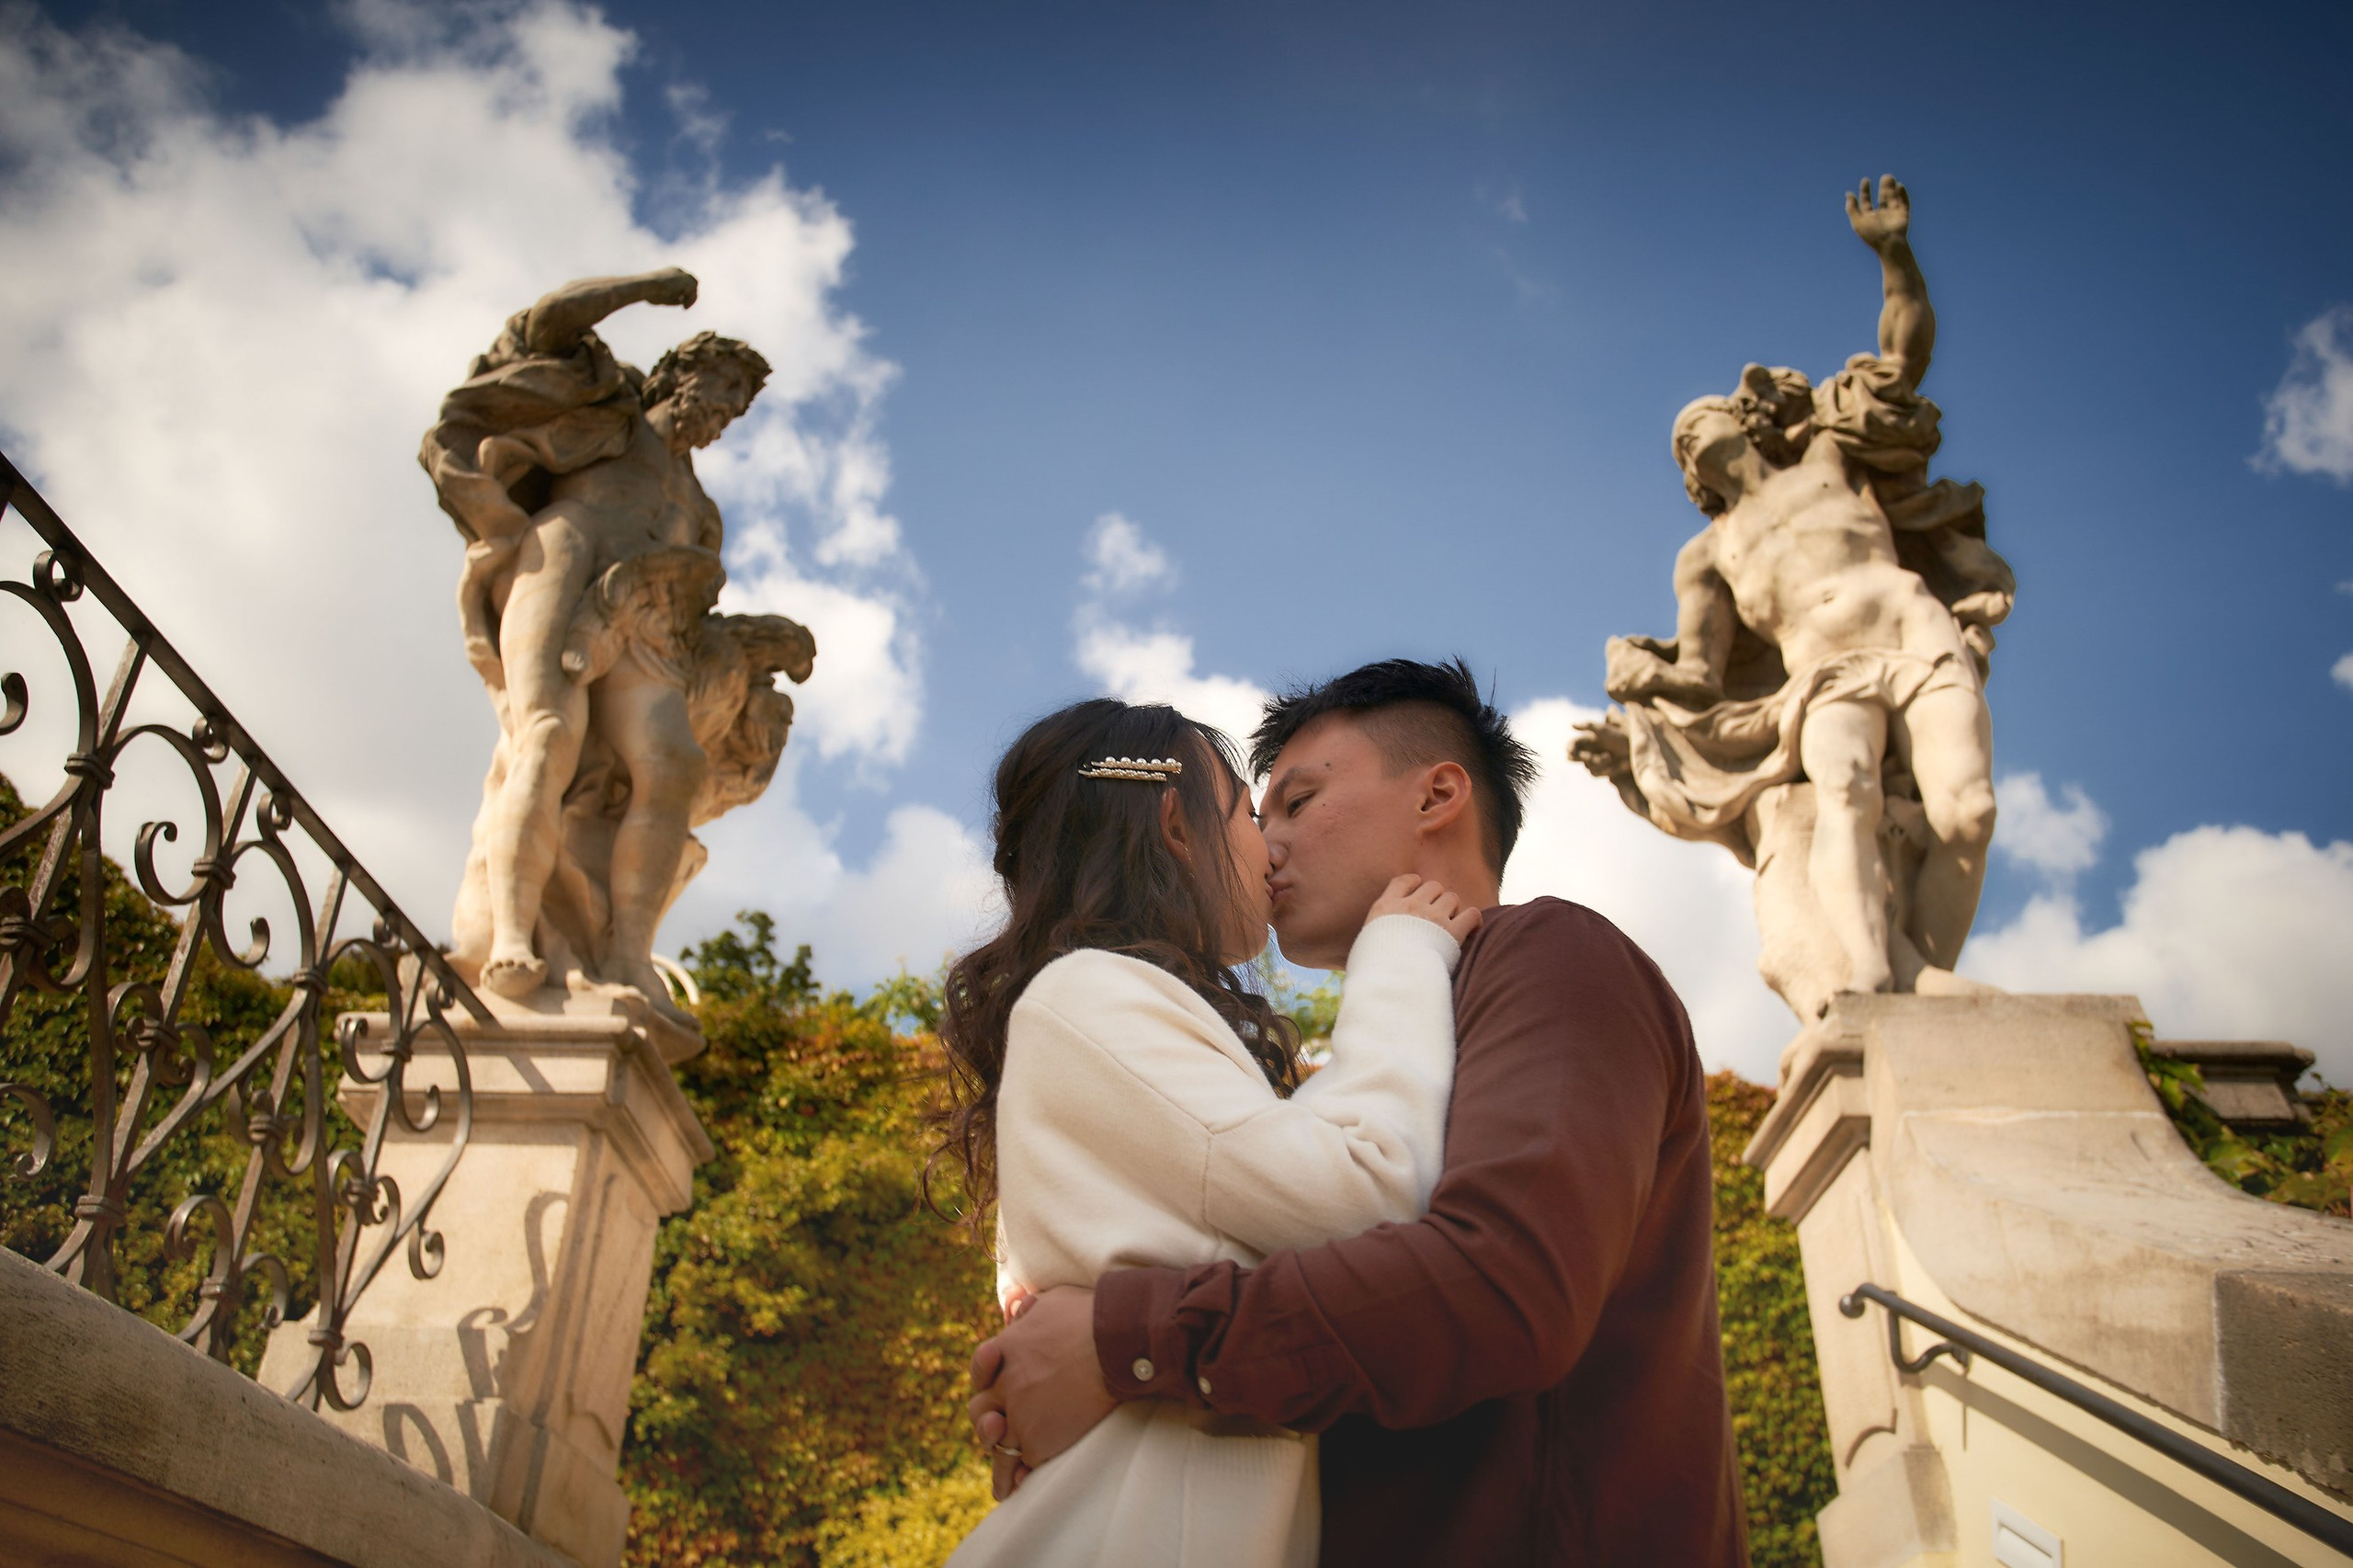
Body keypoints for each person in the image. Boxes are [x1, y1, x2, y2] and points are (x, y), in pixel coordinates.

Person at [969, 658, 1748, 1567]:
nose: (1268, 844)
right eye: (1253, 816)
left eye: (1296, 803)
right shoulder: (1356, 1062)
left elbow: (1505, 1285)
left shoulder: (1550, 956)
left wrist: (1120, 1339)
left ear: (1438, 794)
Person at [932, 697, 1482, 1568]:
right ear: (1173, 825)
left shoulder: (1105, 1012)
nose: (1273, 849)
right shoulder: (1091, 997)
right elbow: (1370, 1189)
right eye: (1250, 814)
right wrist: (1403, 954)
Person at [1571, 176, 2013, 1010]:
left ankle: (1926, 966)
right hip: (1823, 677)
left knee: (1968, 813)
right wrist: (1642, 680)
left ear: (1744, 422)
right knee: (1844, 798)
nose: (1690, 439)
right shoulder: (1707, 555)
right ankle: (1872, 975)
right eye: (1681, 444)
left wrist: (1894, 256)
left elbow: (1901, 361)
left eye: (1700, 423)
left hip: (1914, 633)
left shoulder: (1829, 462)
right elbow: (1701, 676)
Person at [421, 268, 800, 1015]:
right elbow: (542, 328)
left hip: (649, 618)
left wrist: (759, 644)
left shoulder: (698, 507)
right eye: (718, 385)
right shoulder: (609, 414)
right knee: (549, 735)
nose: (724, 408)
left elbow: (697, 625)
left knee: (673, 765)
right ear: (674, 375)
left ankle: (627, 953)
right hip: (564, 559)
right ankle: (511, 938)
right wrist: (645, 288)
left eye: (737, 402)